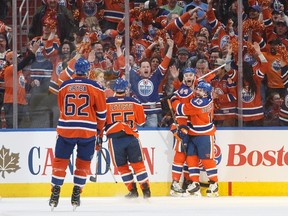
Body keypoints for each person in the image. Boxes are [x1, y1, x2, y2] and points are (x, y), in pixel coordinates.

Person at [49, 57, 107, 209]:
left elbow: (62, 108)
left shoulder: (64, 86)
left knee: (60, 161)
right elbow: (102, 113)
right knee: (83, 162)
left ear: (75, 71)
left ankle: (55, 190)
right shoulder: (96, 87)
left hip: (66, 128)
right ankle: (76, 192)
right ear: (88, 72)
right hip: (87, 131)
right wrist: (99, 131)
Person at [105, 78, 151, 199]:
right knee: (138, 165)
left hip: (115, 140)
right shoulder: (134, 102)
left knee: (122, 166)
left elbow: (101, 122)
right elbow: (141, 121)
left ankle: (133, 191)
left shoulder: (107, 102)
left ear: (115, 89)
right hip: (131, 137)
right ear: (126, 89)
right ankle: (146, 191)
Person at [172, 81, 219, 197]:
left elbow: (181, 109)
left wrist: (174, 98)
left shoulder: (199, 102)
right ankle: (195, 183)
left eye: (201, 90)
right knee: (191, 157)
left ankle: (214, 184)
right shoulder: (206, 99)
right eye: (197, 89)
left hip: (205, 134)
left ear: (206, 93)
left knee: (207, 159)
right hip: (194, 133)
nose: (197, 91)